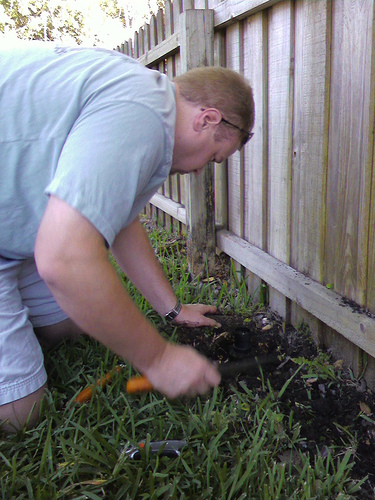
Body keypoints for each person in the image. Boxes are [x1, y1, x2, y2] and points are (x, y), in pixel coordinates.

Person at [0, 43, 255, 432]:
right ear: (207, 119)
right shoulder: (142, 115)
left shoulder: (143, 98)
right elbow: (64, 259)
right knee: (20, 414)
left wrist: (173, 309)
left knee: (70, 322)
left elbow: (120, 221)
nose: (205, 168)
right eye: (216, 156)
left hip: (11, 236)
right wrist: (158, 359)